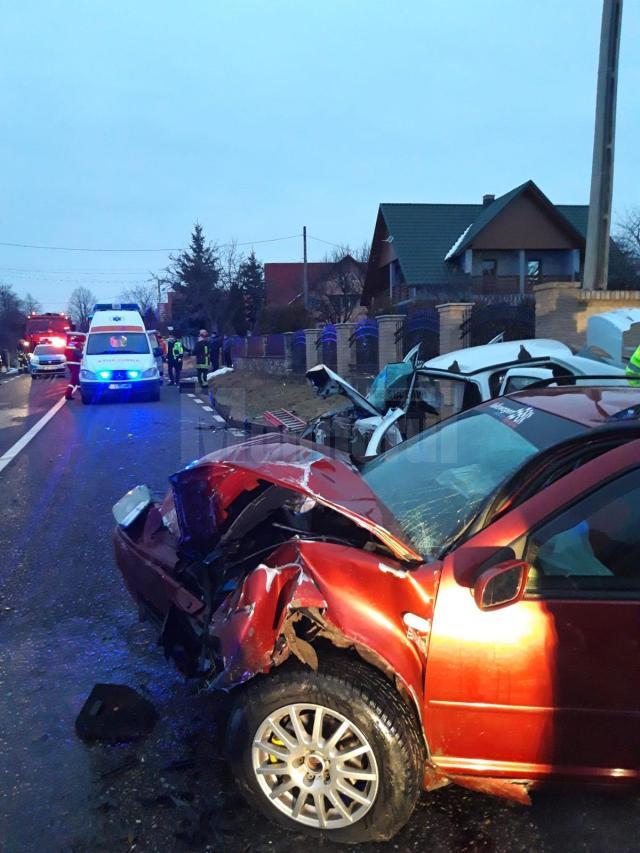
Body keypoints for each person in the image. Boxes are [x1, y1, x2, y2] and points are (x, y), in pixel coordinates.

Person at [64, 333, 85, 400]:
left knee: (76, 379)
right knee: (74, 379)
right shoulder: (78, 344)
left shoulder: (71, 343)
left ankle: (82, 392)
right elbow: (78, 354)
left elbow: (65, 352)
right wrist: (83, 356)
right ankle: (68, 394)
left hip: (69, 363)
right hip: (75, 363)